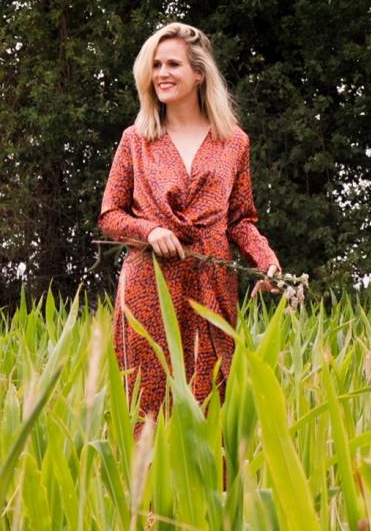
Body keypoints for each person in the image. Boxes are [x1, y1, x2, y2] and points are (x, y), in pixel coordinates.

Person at [100, 22, 281, 424]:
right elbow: (110, 215)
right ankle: (143, 486)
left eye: (173, 64)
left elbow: (240, 219)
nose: (162, 73)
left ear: (199, 73)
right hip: (149, 287)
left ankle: (214, 488)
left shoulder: (234, 142)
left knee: (212, 404)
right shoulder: (136, 139)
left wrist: (264, 260)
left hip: (212, 285)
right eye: (156, 64)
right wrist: (150, 230)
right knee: (146, 405)